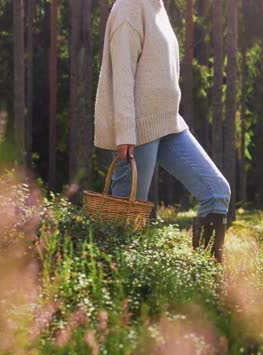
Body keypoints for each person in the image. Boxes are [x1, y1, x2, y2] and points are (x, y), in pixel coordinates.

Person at [93, 0, 230, 261]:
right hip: (138, 131)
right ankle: (112, 289)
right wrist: (125, 132)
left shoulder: (157, 6)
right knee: (125, 226)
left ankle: (206, 281)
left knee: (216, 192)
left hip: (169, 124)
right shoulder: (129, 7)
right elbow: (122, 76)